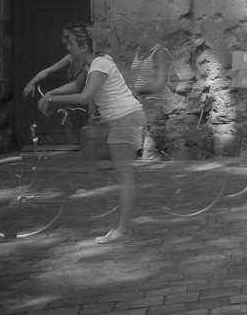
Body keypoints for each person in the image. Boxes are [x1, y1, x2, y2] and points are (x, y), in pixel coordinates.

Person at [38, 23, 146, 244]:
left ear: (84, 47)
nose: (67, 47)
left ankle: (123, 231)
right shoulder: (94, 65)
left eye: (70, 43)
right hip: (126, 119)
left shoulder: (100, 64)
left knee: (125, 177)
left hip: (126, 119)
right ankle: (123, 227)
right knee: (123, 174)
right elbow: (76, 86)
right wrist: (49, 93)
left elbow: (84, 97)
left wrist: (53, 99)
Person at [130, 37, 177, 155]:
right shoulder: (139, 49)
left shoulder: (160, 52)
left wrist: (134, 91)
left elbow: (159, 84)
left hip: (159, 102)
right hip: (141, 101)